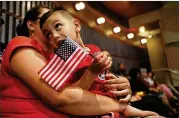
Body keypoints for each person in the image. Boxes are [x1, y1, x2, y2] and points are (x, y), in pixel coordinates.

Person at [0, 5, 148, 118]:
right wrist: (121, 106)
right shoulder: (23, 44)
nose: (53, 33)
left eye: (57, 23)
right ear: (31, 25)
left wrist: (122, 85)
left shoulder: (65, 53)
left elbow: (101, 78)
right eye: (44, 19)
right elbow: (63, 97)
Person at [39, 7, 161, 118]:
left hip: (117, 102)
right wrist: (91, 72)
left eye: (58, 26)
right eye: (48, 34)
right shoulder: (63, 59)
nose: (54, 36)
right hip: (97, 111)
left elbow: (105, 77)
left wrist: (121, 83)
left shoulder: (94, 48)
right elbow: (71, 96)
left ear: (76, 25)